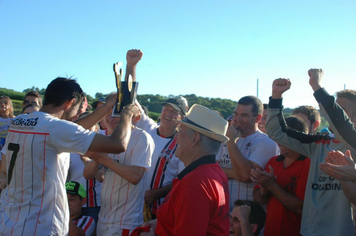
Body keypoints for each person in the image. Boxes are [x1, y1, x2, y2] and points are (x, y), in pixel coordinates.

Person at [0, 77, 138, 235]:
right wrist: (126, 114)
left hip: (10, 220)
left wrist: (107, 108)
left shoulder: (19, 121)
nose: (76, 114)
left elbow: (69, 130)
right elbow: (118, 144)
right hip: (38, 226)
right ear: (70, 103)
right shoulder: (54, 128)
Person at [266, 77, 354, 235]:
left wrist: (317, 86)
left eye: (340, 109)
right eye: (333, 107)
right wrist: (276, 96)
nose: (331, 111)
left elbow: (339, 121)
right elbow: (276, 132)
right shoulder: (318, 144)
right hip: (309, 231)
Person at [140, 104, 230, 235]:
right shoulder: (214, 172)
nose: (176, 136)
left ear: (195, 139)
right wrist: (162, 223)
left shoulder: (195, 183)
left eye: (181, 130)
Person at [125, 49, 186, 218]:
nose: (168, 114)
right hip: (131, 206)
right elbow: (129, 97)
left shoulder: (182, 144)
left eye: (175, 112)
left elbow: (182, 179)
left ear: (181, 118)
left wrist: (157, 193)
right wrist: (131, 66)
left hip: (161, 210)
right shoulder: (148, 127)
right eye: (166, 108)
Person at [83, 102, 154, 236]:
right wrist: (95, 159)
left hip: (126, 223)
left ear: (130, 116)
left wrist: (103, 158)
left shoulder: (142, 137)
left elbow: (135, 176)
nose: (110, 118)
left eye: (116, 114)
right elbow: (89, 175)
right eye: (107, 114)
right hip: (103, 219)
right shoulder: (105, 138)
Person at [217, 96, 279, 212]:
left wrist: (231, 143)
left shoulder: (266, 142)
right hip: (223, 214)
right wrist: (237, 174)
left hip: (250, 217)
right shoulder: (225, 138)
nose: (237, 119)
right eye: (236, 114)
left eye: (244, 115)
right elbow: (213, 170)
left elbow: (245, 175)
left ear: (258, 118)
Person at [252, 116, 310, 236]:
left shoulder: (309, 164)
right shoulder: (273, 162)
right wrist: (264, 190)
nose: (279, 142)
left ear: (299, 137)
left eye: (284, 137)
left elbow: (302, 208)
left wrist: (271, 185)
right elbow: (258, 199)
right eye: (277, 137)